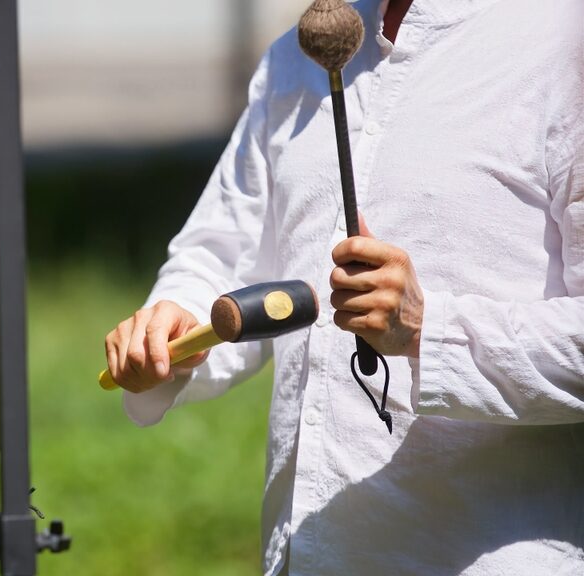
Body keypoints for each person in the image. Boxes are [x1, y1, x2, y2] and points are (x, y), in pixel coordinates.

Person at [103, 0, 584, 574]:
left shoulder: (564, 42)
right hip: (306, 554)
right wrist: (174, 321)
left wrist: (430, 330)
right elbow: (225, 255)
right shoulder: (295, 58)